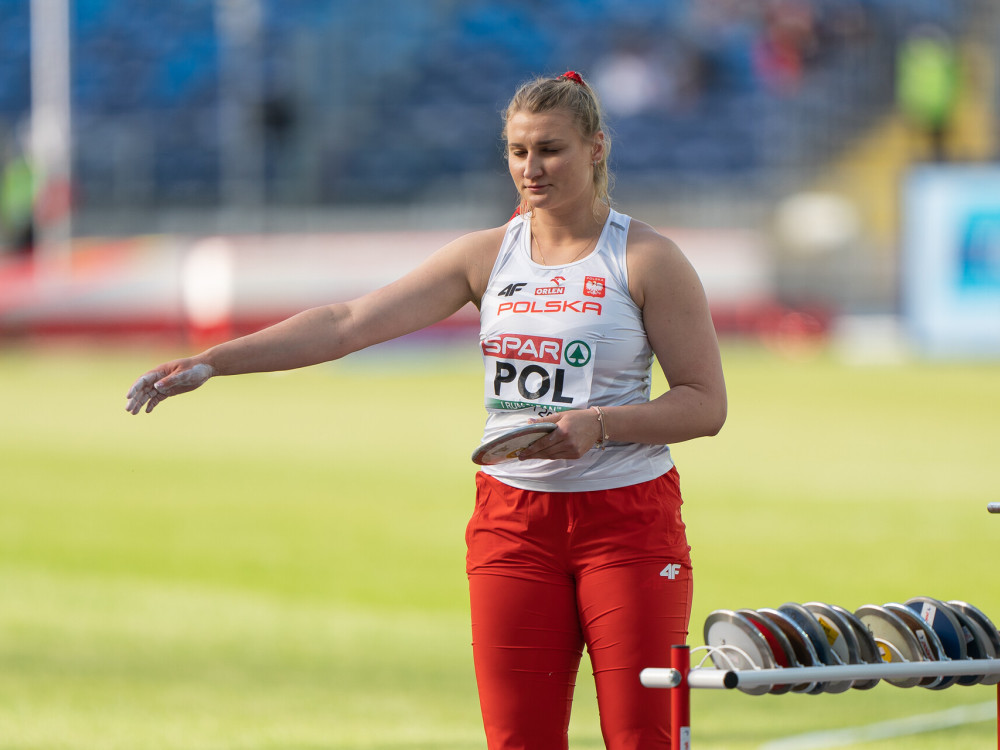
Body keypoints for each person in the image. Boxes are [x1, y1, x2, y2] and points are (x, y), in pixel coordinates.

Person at [126, 71, 727, 750]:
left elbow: (705, 405)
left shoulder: (645, 259)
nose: (531, 168)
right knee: (517, 741)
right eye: (517, 151)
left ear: (596, 148)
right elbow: (345, 322)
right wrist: (215, 360)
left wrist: (602, 425)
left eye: (550, 150)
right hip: (513, 524)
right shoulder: (487, 256)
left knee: (642, 738)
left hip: (627, 523)